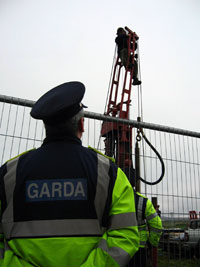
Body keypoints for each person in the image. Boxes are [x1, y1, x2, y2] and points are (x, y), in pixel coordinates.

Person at [0, 81, 139, 267]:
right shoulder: (110, 174)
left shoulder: (9, 173)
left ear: (46, 126)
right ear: (82, 124)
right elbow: (125, 236)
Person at [128, 191, 163, 267]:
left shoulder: (111, 197)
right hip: (138, 249)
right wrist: (152, 243)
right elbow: (157, 225)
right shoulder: (142, 201)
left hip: (114, 248)